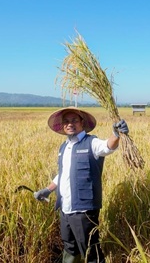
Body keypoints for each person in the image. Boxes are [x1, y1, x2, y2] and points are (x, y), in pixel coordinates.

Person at [34, 107, 129, 263]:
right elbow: (63, 174)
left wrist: (116, 134)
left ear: (82, 123)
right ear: (62, 126)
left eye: (74, 120)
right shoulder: (64, 147)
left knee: (90, 250)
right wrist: (47, 190)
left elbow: (107, 147)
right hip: (65, 208)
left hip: (84, 210)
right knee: (70, 247)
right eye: (66, 121)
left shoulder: (91, 142)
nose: (70, 124)